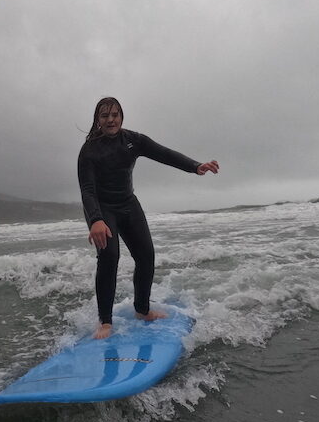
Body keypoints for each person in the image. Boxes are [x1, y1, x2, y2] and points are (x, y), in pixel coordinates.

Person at [77, 97, 219, 339]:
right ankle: (105, 322)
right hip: (103, 209)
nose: (110, 120)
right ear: (97, 120)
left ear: (122, 116)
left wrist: (195, 166)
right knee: (110, 257)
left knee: (146, 255)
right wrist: (95, 220)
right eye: (104, 116)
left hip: (128, 203)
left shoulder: (134, 140)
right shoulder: (89, 150)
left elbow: (164, 154)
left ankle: (142, 310)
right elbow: (87, 190)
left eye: (115, 114)